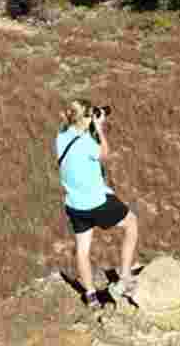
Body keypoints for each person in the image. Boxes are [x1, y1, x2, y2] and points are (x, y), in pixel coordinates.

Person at [54, 99, 140, 304]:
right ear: (85, 118)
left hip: (74, 205)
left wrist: (87, 125)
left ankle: (91, 295)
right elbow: (104, 154)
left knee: (82, 250)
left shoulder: (60, 137)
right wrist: (99, 129)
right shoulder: (86, 143)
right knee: (131, 224)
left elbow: (75, 142)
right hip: (96, 202)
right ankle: (125, 278)